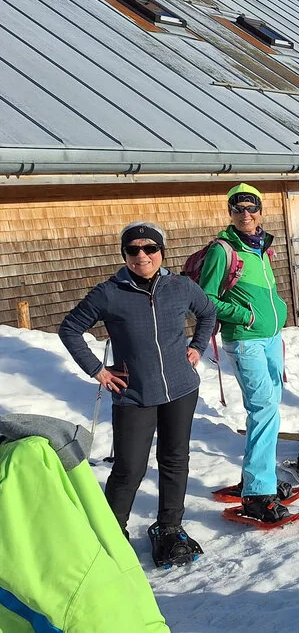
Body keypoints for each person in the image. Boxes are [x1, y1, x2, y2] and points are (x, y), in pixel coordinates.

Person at [59, 222, 216, 565]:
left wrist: (197, 347)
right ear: (124, 254)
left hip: (181, 389)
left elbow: (207, 313)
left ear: (162, 251)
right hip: (134, 394)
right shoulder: (108, 293)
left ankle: (170, 526)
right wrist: (97, 370)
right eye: (133, 249)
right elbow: (70, 329)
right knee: (129, 468)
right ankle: (112, 533)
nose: (141, 255)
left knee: (175, 460)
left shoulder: (181, 286)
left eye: (150, 248)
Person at [199, 183, 292, 524]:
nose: (245, 214)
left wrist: (278, 309)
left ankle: (257, 477)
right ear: (230, 213)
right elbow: (205, 299)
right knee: (263, 408)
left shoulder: (261, 248)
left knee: (269, 408)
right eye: (237, 209)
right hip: (245, 340)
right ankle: (257, 493)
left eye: (251, 208)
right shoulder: (222, 250)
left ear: (260, 211)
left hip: (271, 338)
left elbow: (268, 292)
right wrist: (245, 316)